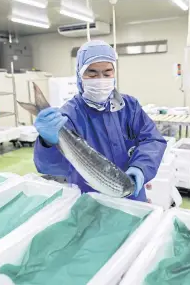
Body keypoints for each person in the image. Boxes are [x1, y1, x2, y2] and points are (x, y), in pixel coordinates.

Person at [33, 40, 167, 202]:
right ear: (80, 75)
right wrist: (47, 143)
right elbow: (50, 167)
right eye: (92, 73)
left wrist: (141, 168)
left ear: (114, 73)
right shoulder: (68, 115)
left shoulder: (130, 107)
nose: (100, 78)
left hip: (131, 198)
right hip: (90, 203)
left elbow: (152, 140)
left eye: (107, 72)